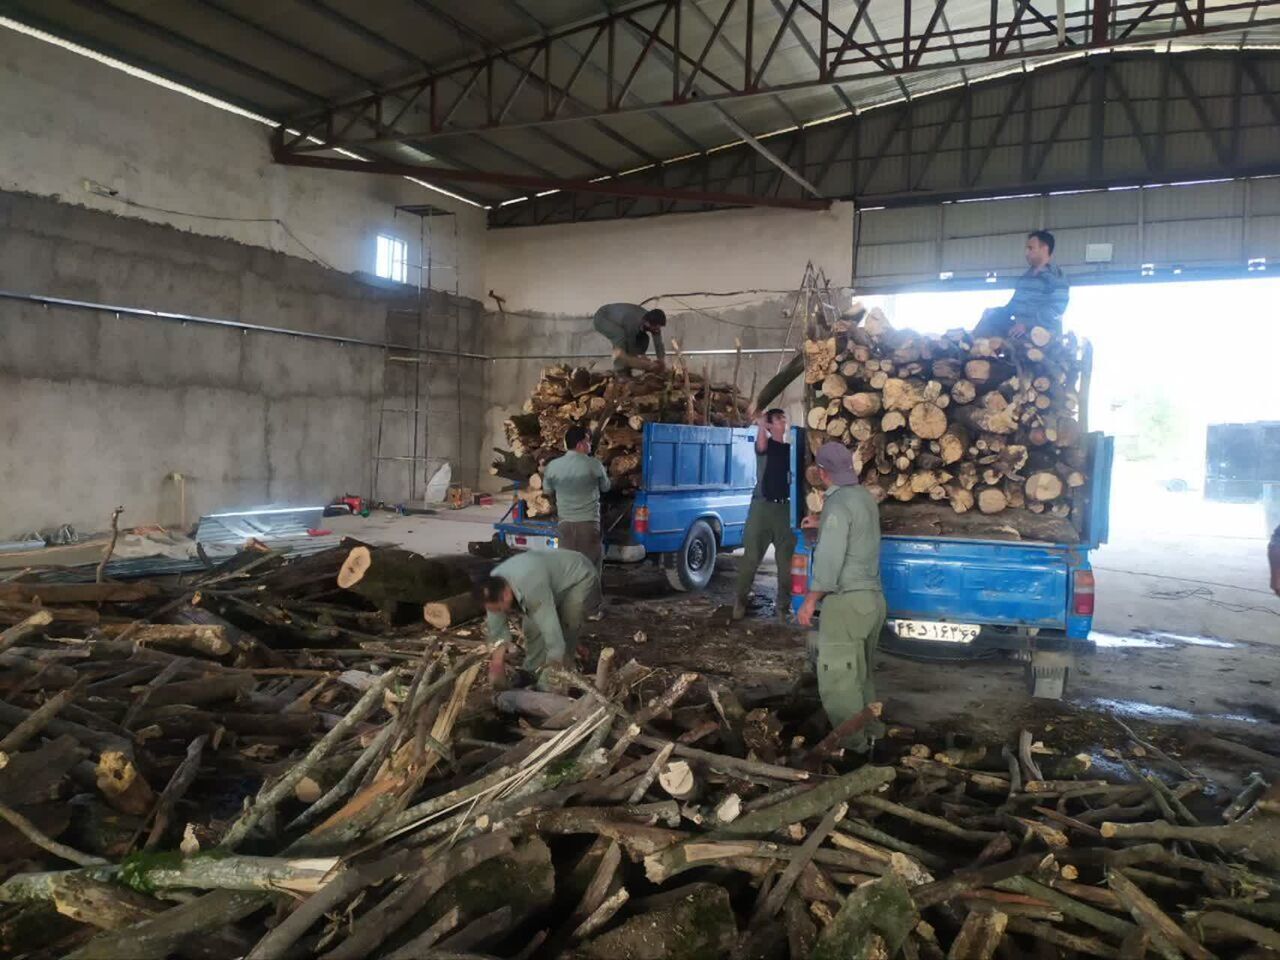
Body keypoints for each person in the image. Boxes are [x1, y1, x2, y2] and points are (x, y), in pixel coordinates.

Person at [797, 442, 885, 753]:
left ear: (822, 473)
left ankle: (854, 752)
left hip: (846, 602)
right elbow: (855, 528)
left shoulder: (836, 504)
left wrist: (810, 600)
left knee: (838, 680)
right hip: (872, 601)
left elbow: (830, 560)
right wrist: (822, 523)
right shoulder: (863, 497)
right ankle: (873, 734)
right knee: (860, 674)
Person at [478, 549, 599, 680]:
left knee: (567, 625)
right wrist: (497, 663)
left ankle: (560, 676)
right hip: (548, 577)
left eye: (499, 609)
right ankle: (532, 672)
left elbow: (553, 637)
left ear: (506, 595)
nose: (498, 613)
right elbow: (498, 632)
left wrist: (551, 673)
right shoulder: (491, 588)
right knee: (531, 629)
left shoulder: (531, 584)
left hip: (578, 575)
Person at [733, 408, 797, 623]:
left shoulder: (791, 450)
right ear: (770, 426)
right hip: (762, 508)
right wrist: (761, 424)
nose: (783, 422)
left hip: (785, 510)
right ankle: (740, 602)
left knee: (785, 563)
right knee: (751, 558)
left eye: (784, 418)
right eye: (779, 419)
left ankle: (783, 607)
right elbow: (760, 445)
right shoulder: (766, 446)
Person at [544, 425, 611, 619]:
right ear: (581, 444)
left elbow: (548, 491)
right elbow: (606, 487)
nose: (590, 445)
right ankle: (592, 611)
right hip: (588, 525)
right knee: (590, 568)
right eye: (589, 441)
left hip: (564, 525)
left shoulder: (553, 466)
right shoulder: (594, 465)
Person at [975, 230, 1070, 339]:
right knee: (990, 318)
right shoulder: (1025, 278)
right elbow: (1014, 305)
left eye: (1030, 248)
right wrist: (995, 312)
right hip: (1019, 330)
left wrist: (1028, 325)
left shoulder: (1056, 277)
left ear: (1044, 249)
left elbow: (1056, 309)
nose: (1026, 253)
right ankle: (970, 347)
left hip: (1042, 335)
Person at [592, 303, 667, 375]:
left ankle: (628, 367)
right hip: (602, 317)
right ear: (647, 323)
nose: (658, 330)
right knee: (620, 336)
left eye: (659, 327)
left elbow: (658, 343)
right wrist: (642, 363)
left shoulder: (653, 322)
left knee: (644, 339)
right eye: (656, 327)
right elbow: (630, 344)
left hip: (622, 321)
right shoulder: (633, 322)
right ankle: (620, 371)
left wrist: (661, 361)